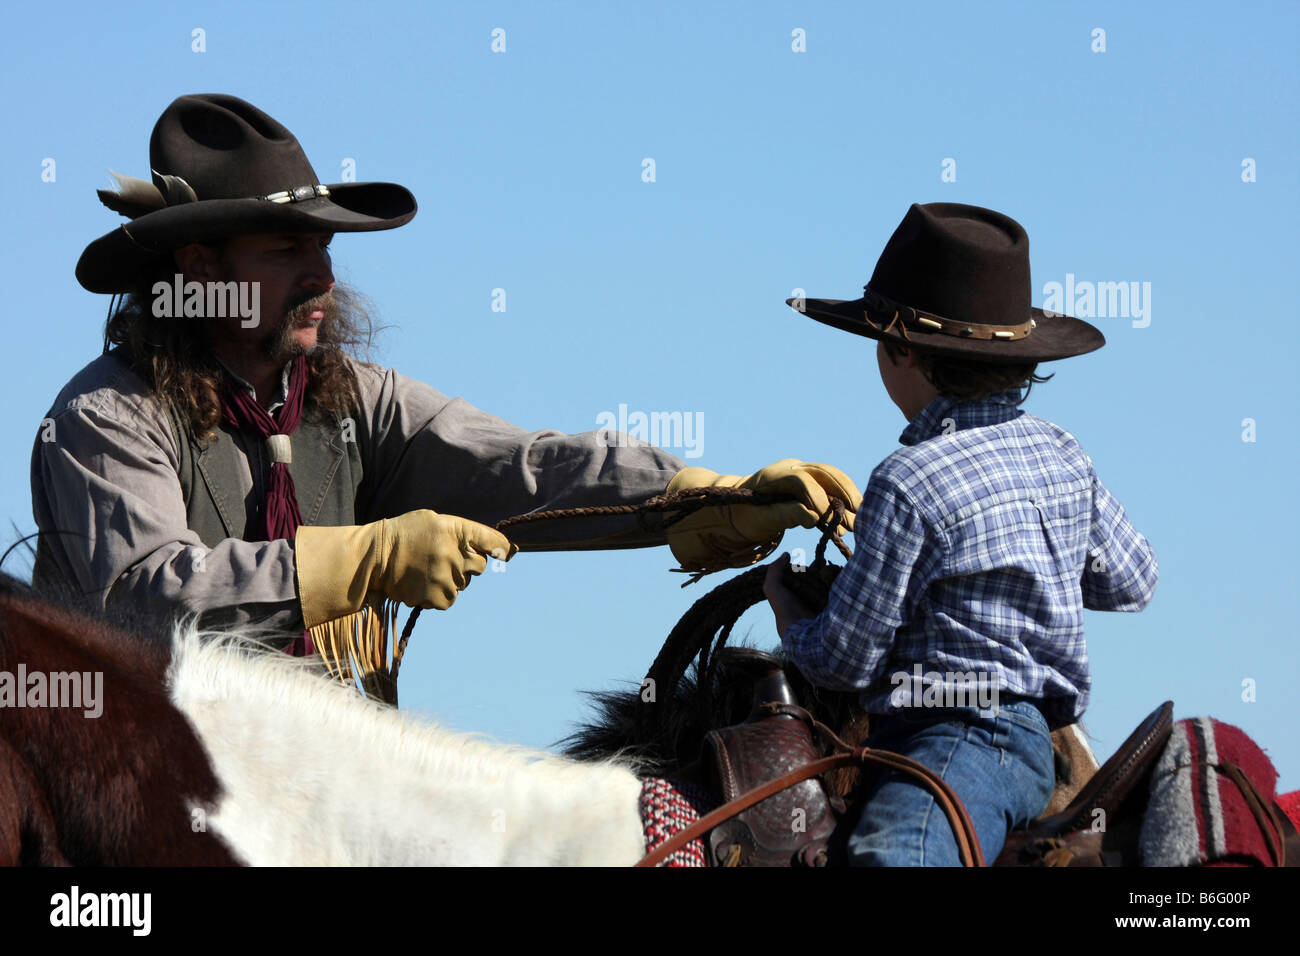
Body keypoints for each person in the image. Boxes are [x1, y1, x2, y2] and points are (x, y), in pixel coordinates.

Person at [31, 93, 861, 673]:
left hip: (317, 763)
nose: (322, 274)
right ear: (200, 267)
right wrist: (361, 559)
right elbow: (139, 598)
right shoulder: (106, 417)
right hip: (144, 786)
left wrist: (702, 497)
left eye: (324, 248)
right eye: (287, 251)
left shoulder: (354, 397)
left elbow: (521, 467)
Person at [762, 202, 1159, 866]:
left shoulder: (908, 480)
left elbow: (844, 660)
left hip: (958, 739)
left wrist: (787, 613)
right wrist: (1028, 566)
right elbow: (1132, 582)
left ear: (898, 352)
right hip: (1031, 734)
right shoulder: (1063, 452)